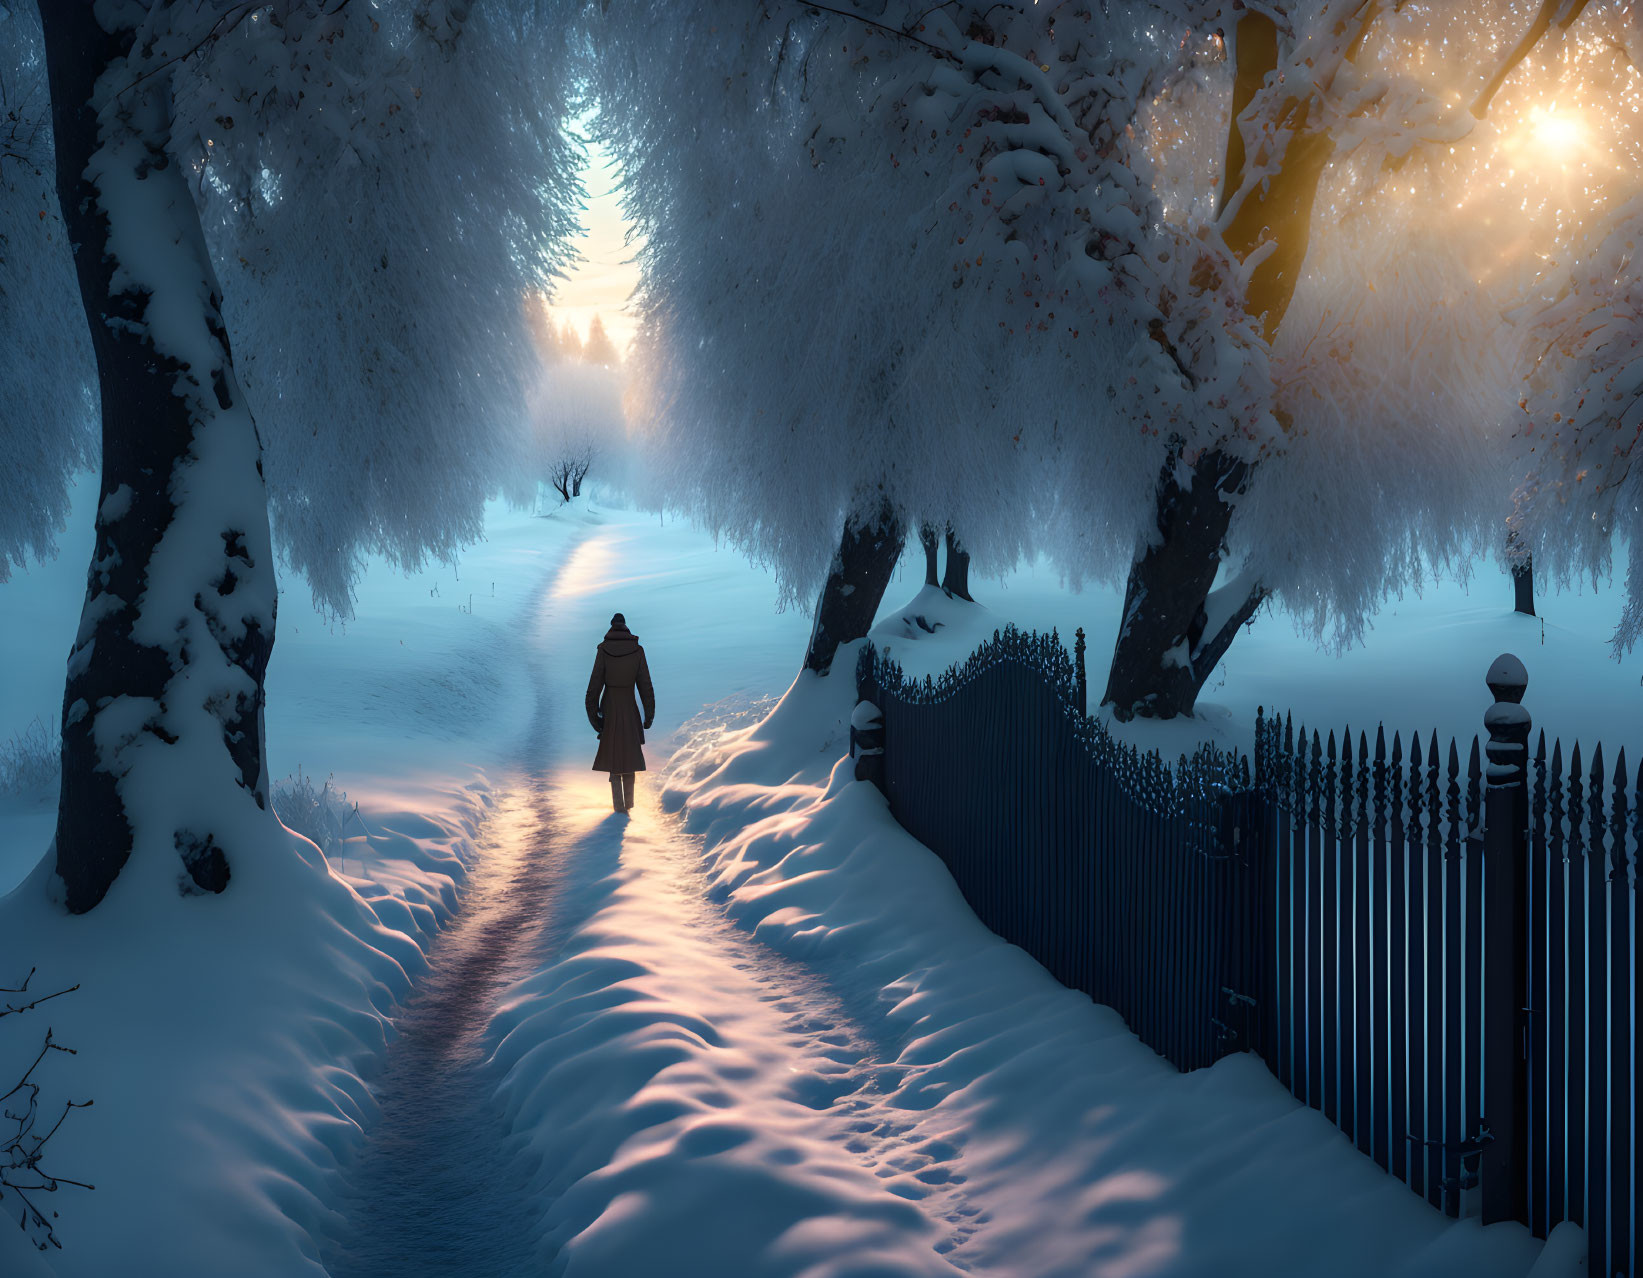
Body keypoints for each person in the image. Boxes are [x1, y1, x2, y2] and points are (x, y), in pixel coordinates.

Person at [585, 612, 655, 813]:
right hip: (629, 707)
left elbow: (594, 687)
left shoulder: (603, 650)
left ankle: (618, 806)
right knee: (630, 755)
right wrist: (648, 716)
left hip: (610, 707)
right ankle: (629, 805)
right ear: (625, 627)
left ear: (611, 627)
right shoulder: (637, 650)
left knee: (615, 757)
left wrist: (594, 719)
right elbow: (646, 686)